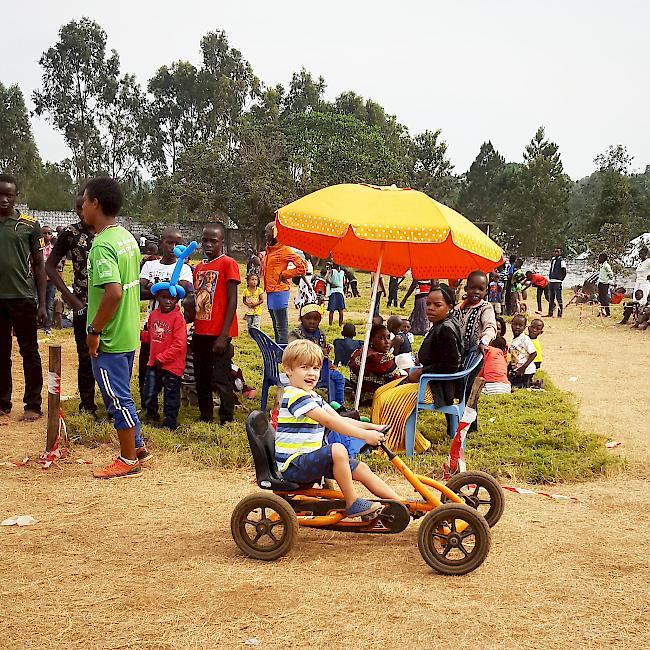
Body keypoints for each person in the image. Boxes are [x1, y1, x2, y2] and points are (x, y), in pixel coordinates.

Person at [277, 339, 400, 519]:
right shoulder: (295, 396)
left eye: (316, 368)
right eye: (304, 367)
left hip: (309, 461)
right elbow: (329, 421)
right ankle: (352, 503)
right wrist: (365, 435)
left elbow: (340, 419)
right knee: (337, 450)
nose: (311, 373)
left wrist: (374, 427)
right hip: (294, 466)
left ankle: (401, 505)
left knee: (361, 468)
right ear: (288, 370)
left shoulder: (312, 396)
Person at [83, 177, 149, 478]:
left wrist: (94, 331)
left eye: (85, 201)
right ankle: (137, 445)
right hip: (127, 331)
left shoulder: (103, 245)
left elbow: (113, 293)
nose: (82, 207)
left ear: (96, 203)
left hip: (109, 336)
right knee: (122, 392)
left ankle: (127, 459)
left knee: (115, 397)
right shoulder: (126, 237)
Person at [371, 284, 463, 453]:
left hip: (436, 387)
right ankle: (378, 439)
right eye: (428, 304)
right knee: (379, 393)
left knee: (388, 400)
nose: (430, 308)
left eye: (437, 305)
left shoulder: (446, 330)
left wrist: (423, 373)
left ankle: (413, 445)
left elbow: (451, 366)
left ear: (449, 307)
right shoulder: (440, 324)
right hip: (427, 380)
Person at [0, 173, 46, 424]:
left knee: (29, 352)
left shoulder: (29, 225)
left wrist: (41, 303)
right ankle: (2, 403)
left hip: (22, 299)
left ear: (16, 196)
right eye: (0, 194)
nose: (4, 199)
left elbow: (39, 265)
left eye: (9, 194)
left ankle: (33, 404)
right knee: (1, 353)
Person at [45, 192, 97, 414]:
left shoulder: (111, 233)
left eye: (84, 207)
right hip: (82, 305)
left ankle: (113, 404)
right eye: (78, 208)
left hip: (110, 305)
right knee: (85, 356)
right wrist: (71, 299)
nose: (81, 212)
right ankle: (88, 405)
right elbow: (50, 266)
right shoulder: (70, 233)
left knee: (111, 356)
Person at [192, 223, 240, 424]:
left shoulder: (228, 263)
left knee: (221, 376)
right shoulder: (199, 267)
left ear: (222, 242)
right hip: (200, 331)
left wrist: (223, 335)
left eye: (214, 241)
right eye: (205, 240)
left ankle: (226, 416)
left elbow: (232, 301)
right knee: (201, 376)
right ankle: (206, 414)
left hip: (219, 332)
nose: (208, 244)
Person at [139, 228, 193, 398]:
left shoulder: (184, 268)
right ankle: (147, 401)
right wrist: (167, 288)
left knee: (170, 366)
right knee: (146, 365)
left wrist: (153, 287)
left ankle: (170, 402)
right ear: (162, 242)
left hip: (172, 327)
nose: (173, 247)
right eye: (169, 242)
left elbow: (181, 291)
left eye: (177, 244)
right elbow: (139, 292)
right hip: (151, 324)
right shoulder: (149, 265)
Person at [140, 288, 187, 430]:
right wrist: (142, 335)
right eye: (164, 297)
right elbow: (152, 335)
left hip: (172, 366)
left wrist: (163, 357)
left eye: (172, 298)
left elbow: (180, 344)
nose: (168, 301)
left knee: (171, 395)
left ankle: (170, 422)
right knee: (149, 391)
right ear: (157, 298)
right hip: (154, 362)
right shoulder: (153, 315)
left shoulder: (178, 318)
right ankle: (151, 415)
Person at [288, 303, 346, 404]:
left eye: (316, 319)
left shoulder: (321, 334)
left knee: (334, 379)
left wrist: (327, 360)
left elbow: (323, 354)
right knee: (338, 378)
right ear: (301, 319)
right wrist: (317, 351)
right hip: (301, 369)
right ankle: (339, 404)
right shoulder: (295, 334)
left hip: (320, 368)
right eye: (308, 318)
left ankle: (336, 404)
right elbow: (294, 350)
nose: (312, 322)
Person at [263, 221, 307, 343]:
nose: (265, 235)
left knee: (281, 328)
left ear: (274, 233)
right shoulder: (270, 250)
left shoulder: (284, 249)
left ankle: (283, 354)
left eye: (267, 232)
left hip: (279, 292)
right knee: (275, 327)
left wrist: (284, 274)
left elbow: (302, 266)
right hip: (270, 292)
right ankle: (278, 353)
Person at [349, 324, 403, 404]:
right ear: (371, 340)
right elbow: (397, 380)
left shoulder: (357, 353)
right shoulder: (384, 360)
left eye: (388, 338)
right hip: (378, 398)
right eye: (381, 338)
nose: (387, 342)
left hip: (358, 396)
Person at [454, 271, 497, 353]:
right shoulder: (458, 309)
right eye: (472, 288)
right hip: (457, 353)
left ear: (486, 291)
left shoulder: (485, 308)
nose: (476, 292)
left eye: (481, 289)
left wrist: (484, 341)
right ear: (466, 289)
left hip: (476, 352)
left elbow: (490, 327)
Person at [508, 314, 537, 388]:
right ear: (511, 324)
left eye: (520, 325)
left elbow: (534, 353)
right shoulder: (512, 339)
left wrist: (523, 368)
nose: (517, 327)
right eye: (515, 324)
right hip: (517, 369)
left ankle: (534, 384)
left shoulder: (525, 339)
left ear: (524, 327)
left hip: (526, 370)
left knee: (518, 387)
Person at [39, 225, 57, 333]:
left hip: (50, 281)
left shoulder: (54, 249)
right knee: (37, 302)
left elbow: (57, 264)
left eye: (49, 233)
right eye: (44, 233)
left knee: (49, 303)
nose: (47, 235)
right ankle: (38, 323)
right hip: (39, 280)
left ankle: (48, 326)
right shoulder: (37, 248)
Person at [547, 247, 567, 318]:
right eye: (555, 251)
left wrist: (561, 279)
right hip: (551, 280)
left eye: (557, 252)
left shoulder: (562, 261)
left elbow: (564, 270)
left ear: (560, 253)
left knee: (559, 298)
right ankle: (550, 313)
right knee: (551, 298)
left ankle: (560, 313)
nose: (556, 253)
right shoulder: (553, 260)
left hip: (558, 281)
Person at [597, 253, 614, 317]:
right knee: (600, 298)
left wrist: (607, 280)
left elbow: (611, 274)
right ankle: (602, 312)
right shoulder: (602, 265)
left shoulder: (606, 266)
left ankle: (608, 312)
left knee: (604, 298)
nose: (599, 259)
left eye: (600, 258)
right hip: (600, 283)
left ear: (603, 258)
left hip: (604, 284)